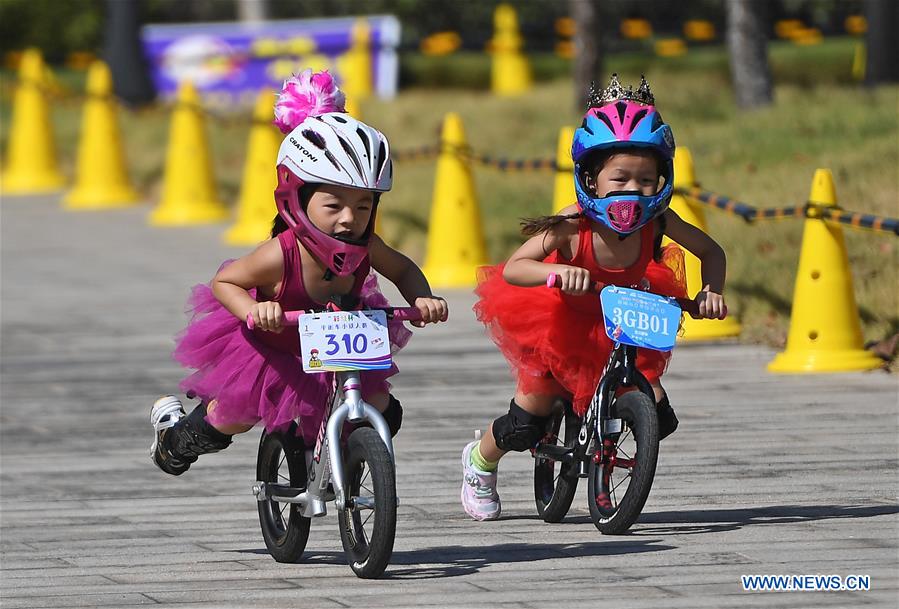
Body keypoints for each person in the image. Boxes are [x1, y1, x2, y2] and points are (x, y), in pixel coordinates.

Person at [150, 69, 448, 476]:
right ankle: (174, 437)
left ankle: (348, 466)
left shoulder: (366, 245)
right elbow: (226, 282)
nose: (349, 219)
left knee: (382, 411)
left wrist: (422, 298)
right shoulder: (281, 254)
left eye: (363, 207)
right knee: (233, 416)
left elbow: (404, 268)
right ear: (298, 199)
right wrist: (254, 311)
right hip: (275, 349)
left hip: (340, 347)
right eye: (333, 206)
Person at [461, 74, 727, 521]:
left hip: (624, 320)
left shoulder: (658, 222)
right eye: (619, 177)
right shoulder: (572, 224)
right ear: (591, 178)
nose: (632, 190)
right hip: (563, 322)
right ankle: (480, 460)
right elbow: (515, 267)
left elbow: (711, 251)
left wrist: (710, 291)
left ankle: (610, 445)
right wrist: (560, 271)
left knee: (658, 416)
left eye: (646, 179)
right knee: (528, 419)